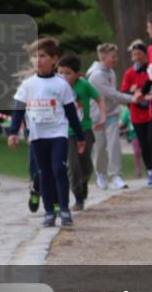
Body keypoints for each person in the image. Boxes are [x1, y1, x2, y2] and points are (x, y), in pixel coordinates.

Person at [8, 37, 86, 227]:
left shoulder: (61, 85)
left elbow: (71, 113)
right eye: (34, 56)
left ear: (54, 59)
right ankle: (49, 211)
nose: (38, 60)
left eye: (42, 56)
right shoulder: (28, 85)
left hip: (58, 133)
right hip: (37, 135)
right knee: (44, 173)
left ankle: (65, 209)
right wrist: (12, 132)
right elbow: (18, 110)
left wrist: (80, 136)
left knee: (59, 169)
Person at [57, 53, 105, 211]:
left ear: (78, 74)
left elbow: (99, 99)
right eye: (61, 72)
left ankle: (84, 182)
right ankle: (78, 198)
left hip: (84, 130)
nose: (63, 76)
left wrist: (102, 117)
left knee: (85, 166)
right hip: (66, 132)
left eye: (68, 73)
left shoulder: (84, 85)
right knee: (73, 165)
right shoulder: (56, 86)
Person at [87, 43, 135, 190]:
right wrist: (132, 98)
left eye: (116, 56)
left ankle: (116, 176)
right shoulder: (96, 75)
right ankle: (100, 174)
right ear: (103, 57)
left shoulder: (111, 72)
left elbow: (113, 95)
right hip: (97, 116)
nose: (116, 59)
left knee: (114, 146)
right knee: (100, 147)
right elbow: (112, 94)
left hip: (112, 114)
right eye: (113, 56)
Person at [122, 40, 152, 186]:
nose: (137, 57)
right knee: (144, 145)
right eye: (134, 54)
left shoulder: (150, 71)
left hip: (150, 113)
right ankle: (151, 172)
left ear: (145, 55)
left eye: (139, 54)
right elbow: (124, 92)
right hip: (136, 115)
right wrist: (131, 91)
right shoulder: (129, 73)